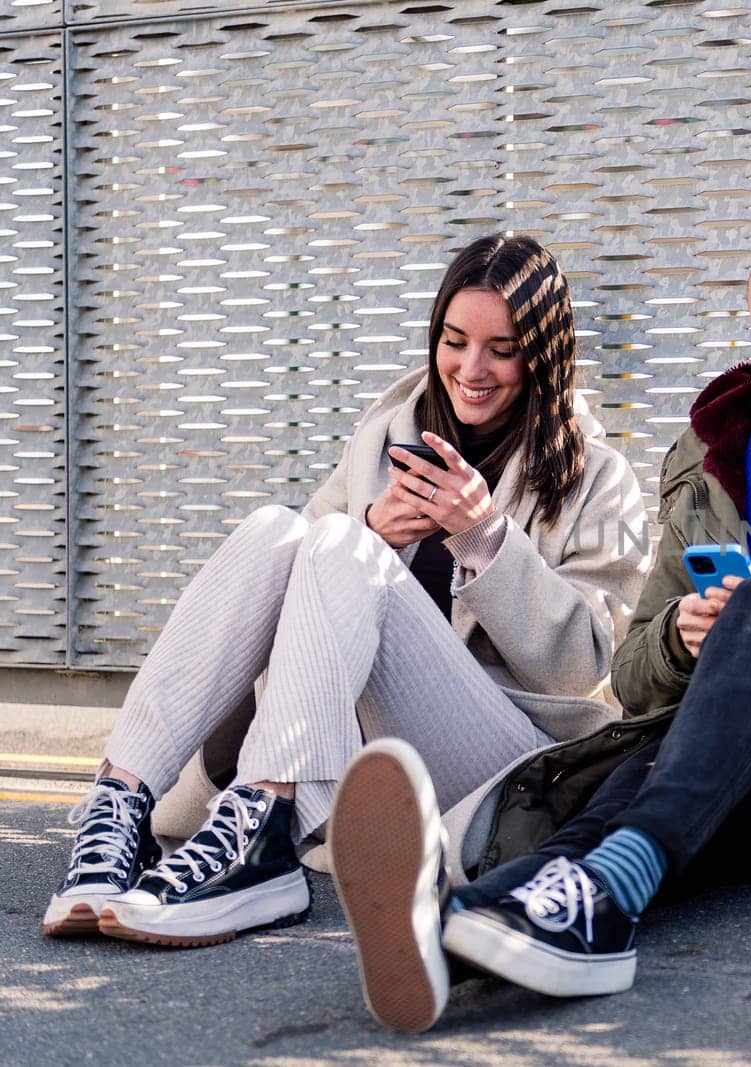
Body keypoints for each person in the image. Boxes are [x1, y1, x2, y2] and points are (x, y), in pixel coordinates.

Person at [323, 222, 751, 1031]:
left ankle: (605, 890)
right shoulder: (717, 457)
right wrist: (678, 638)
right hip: (742, 773)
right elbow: (630, 677)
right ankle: (466, 920)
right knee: (647, 760)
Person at [43, 235, 651, 947]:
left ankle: (266, 833)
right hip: (364, 739)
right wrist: (376, 531)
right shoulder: (386, 434)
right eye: (454, 341)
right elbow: (291, 593)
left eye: (502, 348)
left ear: (542, 355)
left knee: (339, 541)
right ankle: (119, 804)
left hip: (501, 760)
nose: (471, 368)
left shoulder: (599, 477)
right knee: (280, 529)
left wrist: (485, 536)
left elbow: (585, 666)